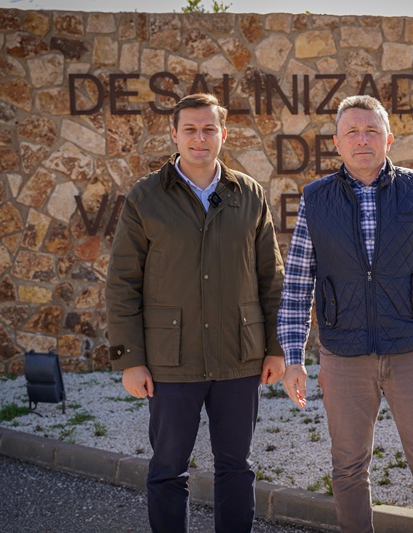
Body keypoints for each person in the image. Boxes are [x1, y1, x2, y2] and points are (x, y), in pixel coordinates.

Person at [277, 95, 413, 533]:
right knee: (348, 468)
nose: (362, 139)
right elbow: (297, 286)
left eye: (371, 130)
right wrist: (294, 357)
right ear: (337, 143)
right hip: (344, 356)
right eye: (352, 132)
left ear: (388, 139)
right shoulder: (316, 198)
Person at [106, 93, 285, 533]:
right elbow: (123, 282)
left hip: (239, 356)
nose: (199, 138)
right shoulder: (146, 196)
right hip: (171, 359)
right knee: (168, 468)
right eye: (190, 129)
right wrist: (131, 359)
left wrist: (277, 348)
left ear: (223, 134)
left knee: (236, 467)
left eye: (208, 129)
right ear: (174, 135)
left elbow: (272, 278)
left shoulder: (249, 194)